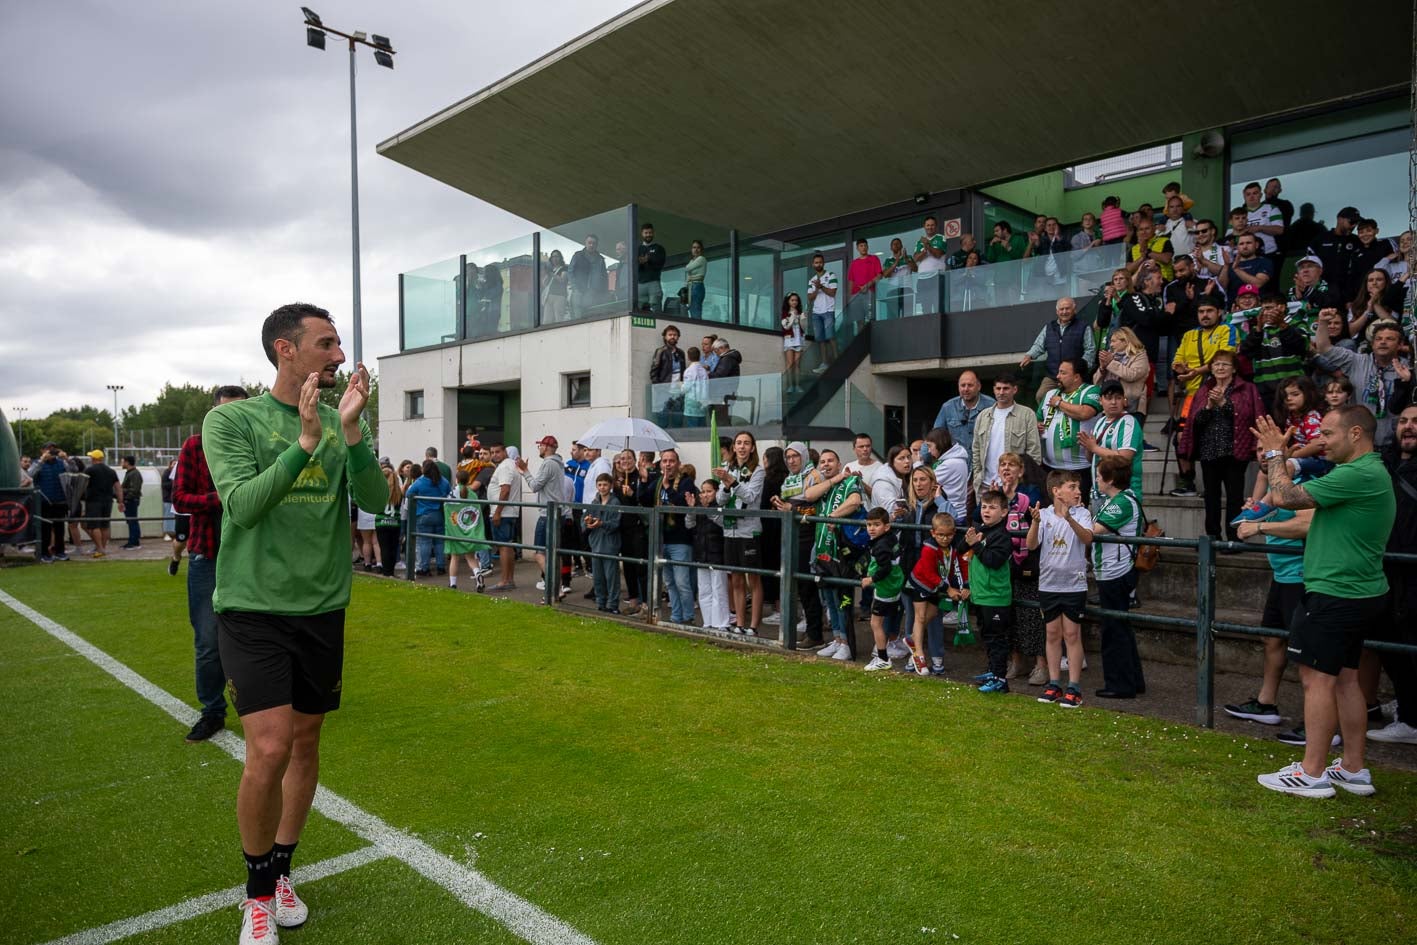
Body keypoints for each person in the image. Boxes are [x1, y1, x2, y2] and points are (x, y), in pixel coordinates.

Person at [200, 302, 386, 943]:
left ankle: (282, 870)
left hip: (323, 609)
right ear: (286, 349)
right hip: (253, 608)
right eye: (327, 343)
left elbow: (375, 502)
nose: (339, 355)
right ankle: (255, 895)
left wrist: (351, 435)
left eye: (338, 345)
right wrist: (304, 443)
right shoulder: (231, 419)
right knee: (270, 747)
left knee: (305, 745)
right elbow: (244, 508)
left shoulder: (343, 421)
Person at [1253, 406, 1395, 798]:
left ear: (1354, 434)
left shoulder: (1358, 473)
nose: (1321, 442)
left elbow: (1283, 497)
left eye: (1328, 435)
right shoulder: (1364, 473)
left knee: (1317, 679)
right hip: (1357, 592)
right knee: (1347, 680)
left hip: (1336, 593)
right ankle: (1352, 767)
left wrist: (1274, 454)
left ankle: (1311, 773)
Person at [169, 385, 250, 742]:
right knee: (207, 641)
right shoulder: (194, 446)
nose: (232, 417)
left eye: (240, 411)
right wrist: (225, 498)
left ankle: (261, 708)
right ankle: (213, 711)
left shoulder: (258, 443)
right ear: (212, 413)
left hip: (252, 556)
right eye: (225, 411)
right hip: (208, 554)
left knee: (259, 637)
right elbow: (180, 498)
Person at [1227, 503, 1312, 728]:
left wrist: (1260, 527)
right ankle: (1266, 703)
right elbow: (1251, 510)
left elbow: (1307, 524)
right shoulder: (1274, 482)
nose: (1264, 465)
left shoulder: (1306, 479)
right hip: (1281, 573)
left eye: (1272, 463)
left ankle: (1316, 722)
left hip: (1303, 574)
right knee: (1271, 639)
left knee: (1307, 651)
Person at [1369, 402, 1417, 745]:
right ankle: (1409, 707)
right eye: (1403, 421)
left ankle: (1412, 718)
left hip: (1413, 569)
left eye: (1416, 422)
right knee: (1391, 643)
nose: (1409, 427)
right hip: (1385, 569)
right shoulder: (1383, 463)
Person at [1178, 351, 1264, 541]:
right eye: (1216, 364)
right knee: (1211, 498)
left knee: (1234, 497)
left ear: (1234, 369)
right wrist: (1208, 406)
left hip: (1235, 451)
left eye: (1225, 364)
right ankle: (1213, 537)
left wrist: (1224, 403)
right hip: (1209, 452)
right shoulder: (1203, 390)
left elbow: (1248, 416)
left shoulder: (1247, 388)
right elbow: (1195, 422)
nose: (1220, 368)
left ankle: (1234, 538)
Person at [1026, 470, 1094, 708]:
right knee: (1052, 634)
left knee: (1072, 634)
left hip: (1074, 585)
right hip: (1049, 584)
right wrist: (1035, 523)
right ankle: (1054, 683)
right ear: (1057, 491)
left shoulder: (1083, 513)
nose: (1078, 491)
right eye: (1073, 487)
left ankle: (1074, 687)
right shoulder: (1043, 515)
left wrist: (1069, 518)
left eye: (1079, 487)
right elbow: (1031, 544)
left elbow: (1087, 539)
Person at [1169, 295, 1240, 496]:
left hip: (1220, 390)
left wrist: (1196, 371)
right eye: (1201, 312)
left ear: (1219, 312)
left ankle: (1216, 486)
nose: (1205, 315)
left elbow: (1225, 358)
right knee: (1181, 437)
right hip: (1191, 394)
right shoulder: (1189, 335)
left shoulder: (1228, 330)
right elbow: (1177, 360)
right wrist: (1180, 368)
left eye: (1209, 311)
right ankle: (1187, 482)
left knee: (1214, 436)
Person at [799, 449, 865, 660]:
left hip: (843, 552)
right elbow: (808, 495)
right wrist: (834, 478)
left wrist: (833, 516)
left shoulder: (850, 482)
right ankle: (837, 639)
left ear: (839, 463)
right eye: (823, 462)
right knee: (828, 596)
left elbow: (855, 501)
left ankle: (846, 643)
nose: (826, 464)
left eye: (831, 461)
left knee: (841, 599)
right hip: (822, 551)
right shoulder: (825, 487)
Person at [1090, 455, 1146, 699]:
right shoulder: (1118, 499)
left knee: (1114, 629)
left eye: (1099, 475)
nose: (1096, 479)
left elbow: (1094, 530)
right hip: (1111, 571)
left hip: (1116, 571)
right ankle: (1133, 680)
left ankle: (1120, 684)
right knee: (1120, 627)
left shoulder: (1121, 502)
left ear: (1110, 479)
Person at [1236, 376, 1327, 524]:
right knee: (1265, 470)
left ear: (1308, 394)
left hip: (1319, 461)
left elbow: (1318, 444)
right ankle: (1254, 506)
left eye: (1295, 394)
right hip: (1301, 460)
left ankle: (1268, 504)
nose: (1289, 399)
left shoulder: (1311, 416)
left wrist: (1293, 455)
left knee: (1287, 464)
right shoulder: (1291, 418)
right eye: (1285, 396)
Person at [1312, 316, 1412, 448]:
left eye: (1390, 339)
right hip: (1360, 441)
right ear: (1372, 343)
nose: (1383, 342)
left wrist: (1409, 380)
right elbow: (1324, 347)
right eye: (1378, 339)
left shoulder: (1409, 369)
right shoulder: (1355, 361)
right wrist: (1323, 321)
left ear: (1400, 345)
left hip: (1394, 442)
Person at [770, 442, 827, 647]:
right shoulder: (789, 479)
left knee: (808, 585)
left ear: (804, 456)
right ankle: (810, 630)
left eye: (795, 456)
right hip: (793, 536)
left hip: (810, 537)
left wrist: (792, 510)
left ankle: (816, 634)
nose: (791, 460)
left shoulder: (814, 476)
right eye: (788, 457)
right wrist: (782, 507)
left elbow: (817, 510)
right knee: (799, 586)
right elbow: (792, 506)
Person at [715, 431, 767, 636]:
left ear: (752, 447)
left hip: (749, 531)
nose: (742, 447)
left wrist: (732, 482)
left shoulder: (758, 471)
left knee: (752, 579)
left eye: (746, 443)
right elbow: (719, 499)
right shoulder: (728, 467)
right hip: (730, 530)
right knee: (735, 579)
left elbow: (751, 496)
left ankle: (753, 626)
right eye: (739, 443)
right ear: (734, 447)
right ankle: (739, 623)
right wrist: (727, 485)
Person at [962, 491, 1013, 692]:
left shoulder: (1002, 536)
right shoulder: (980, 530)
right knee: (988, 638)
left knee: (997, 640)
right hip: (981, 595)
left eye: (992, 507)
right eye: (984, 506)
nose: (986, 511)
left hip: (996, 597)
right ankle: (992, 671)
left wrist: (976, 544)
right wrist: (969, 540)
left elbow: (993, 561)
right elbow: (960, 548)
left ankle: (1000, 679)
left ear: (1004, 512)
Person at [904, 512, 965, 675]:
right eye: (940, 535)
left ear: (954, 533)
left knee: (932, 614)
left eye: (948, 535)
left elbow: (959, 565)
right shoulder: (929, 549)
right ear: (933, 533)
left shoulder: (953, 548)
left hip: (935, 587)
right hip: (920, 584)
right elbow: (928, 573)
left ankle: (911, 639)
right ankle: (919, 657)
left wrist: (964, 585)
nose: (944, 538)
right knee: (921, 617)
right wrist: (948, 589)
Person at [641, 448, 697, 624]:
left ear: (678, 464)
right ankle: (676, 617)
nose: (668, 465)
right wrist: (643, 481)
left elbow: (681, 504)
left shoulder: (686, 482)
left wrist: (668, 488)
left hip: (680, 540)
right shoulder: (657, 482)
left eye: (671, 461)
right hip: (662, 539)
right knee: (670, 583)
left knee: (682, 582)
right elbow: (643, 499)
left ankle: (688, 617)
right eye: (664, 461)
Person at [970, 374, 1043, 499]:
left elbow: (1034, 452)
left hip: (1016, 485)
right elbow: (976, 449)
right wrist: (977, 475)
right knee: (985, 518)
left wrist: (1024, 480)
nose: (1001, 392)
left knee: (1015, 518)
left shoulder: (1026, 414)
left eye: (1006, 388)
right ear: (993, 390)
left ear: (1014, 390)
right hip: (986, 484)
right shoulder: (983, 416)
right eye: (998, 388)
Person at [1036, 358, 1101, 500]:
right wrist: (1038, 425)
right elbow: (1038, 418)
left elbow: (1085, 412)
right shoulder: (1050, 394)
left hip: (1080, 469)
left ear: (1076, 377)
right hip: (1050, 469)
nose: (1058, 376)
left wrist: (1059, 403)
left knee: (1076, 511)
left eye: (1063, 373)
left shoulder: (1091, 390)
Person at [518, 435, 571, 598]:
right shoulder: (558, 463)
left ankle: (553, 587)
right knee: (554, 553)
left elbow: (535, 486)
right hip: (558, 512)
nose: (539, 448)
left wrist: (525, 471)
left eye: (540, 445)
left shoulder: (548, 463)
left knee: (539, 552)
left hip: (548, 514)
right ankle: (559, 588)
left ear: (546, 447)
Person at [1020, 296, 1095, 405]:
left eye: (1067, 308)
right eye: (1061, 309)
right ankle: (1049, 420)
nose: (1064, 312)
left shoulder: (1083, 327)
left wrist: (1081, 369)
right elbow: (1038, 345)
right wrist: (1029, 356)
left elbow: (1090, 350)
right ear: (1057, 311)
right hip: (1053, 374)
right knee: (1041, 396)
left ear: (1074, 310)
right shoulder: (1049, 327)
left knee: (1074, 400)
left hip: (1074, 375)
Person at [1079, 380, 1143, 508]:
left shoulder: (1129, 422)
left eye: (1118, 398)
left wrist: (1094, 447)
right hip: (1100, 493)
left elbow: (1124, 457)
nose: (1113, 402)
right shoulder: (1100, 422)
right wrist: (1087, 446)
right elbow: (1092, 459)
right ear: (1100, 401)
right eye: (1108, 398)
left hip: (1121, 494)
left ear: (1124, 401)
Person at [1241, 290, 1309, 410]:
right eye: (1263, 309)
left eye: (1269, 308)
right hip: (1266, 393)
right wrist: (1258, 330)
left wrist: (1282, 325)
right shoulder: (1257, 330)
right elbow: (1246, 352)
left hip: (1294, 389)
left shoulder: (1297, 324)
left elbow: (1301, 347)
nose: (1265, 312)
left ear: (1282, 307)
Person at [860, 507, 905, 671]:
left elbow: (884, 568)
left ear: (886, 526)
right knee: (884, 621)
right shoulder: (890, 539)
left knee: (875, 623)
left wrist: (870, 579)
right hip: (893, 587)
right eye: (869, 524)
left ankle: (883, 658)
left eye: (876, 525)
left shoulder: (881, 546)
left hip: (885, 589)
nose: (871, 528)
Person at [686, 477, 729, 630]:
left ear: (716, 492)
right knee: (704, 590)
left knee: (719, 590)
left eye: (709, 491)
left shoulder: (720, 506)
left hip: (717, 552)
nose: (705, 495)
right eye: (703, 492)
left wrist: (707, 510)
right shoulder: (697, 507)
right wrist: (692, 509)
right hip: (701, 552)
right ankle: (708, 622)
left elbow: (722, 523)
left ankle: (721, 623)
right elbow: (689, 524)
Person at [932, 371, 994, 468]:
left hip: (984, 465)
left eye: (970, 385)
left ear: (979, 386)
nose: (966, 389)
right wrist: (922, 461)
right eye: (963, 385)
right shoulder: (948, 407)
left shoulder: (991, 405)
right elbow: (935, 436)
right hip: (956, 466)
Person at [581, 473, 621, 613]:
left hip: (610, 544)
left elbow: (616, 523)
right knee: (598, 577)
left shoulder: (615, 502)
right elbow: (584, 519)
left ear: (610, 485)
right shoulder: (594, 502)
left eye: (605, 484)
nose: (602, 487)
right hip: (596, 543)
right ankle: (601, 602)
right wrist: (587, 522)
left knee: (611, 577)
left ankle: (613, 604)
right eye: (600, 485)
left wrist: (602, 523)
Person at [1094, 326, 1151, 423]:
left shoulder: (1140, 356)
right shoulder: (1111, 356)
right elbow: (1095, 382)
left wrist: (1111, 363)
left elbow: (1131, 375)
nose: (1111, 345)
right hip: (1109, 406)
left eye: (1113, 341)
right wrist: (1102, 368)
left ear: (1125, 341)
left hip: (1132, 407)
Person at [445, 468, 488, 592]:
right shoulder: (473, 494)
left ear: (456, 480)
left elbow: (447, 508)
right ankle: (477, 574)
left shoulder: (453, 493)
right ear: (469, 480)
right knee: (471, 557)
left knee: (455, 557)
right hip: (469, 530)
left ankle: (452, 584)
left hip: (455, 530)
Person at [486, 443, 522, 592]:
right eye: (492, 452)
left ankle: (505, 580)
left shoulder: (505, 467)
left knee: (504, 547)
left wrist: (497, 512)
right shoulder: (509, 465)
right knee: (507, 546)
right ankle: (509, 579)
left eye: (498, 452)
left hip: (504, 513)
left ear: (505, 452)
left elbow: (505, 490)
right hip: (507, 512)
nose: (494, 455)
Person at [404, 460, 448, 575]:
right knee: (439, 542)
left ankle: (424, 568)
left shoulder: (420, 482)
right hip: (439, 514)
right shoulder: (443, 481)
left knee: (424, 541)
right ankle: (441, 567)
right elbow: (449, 492)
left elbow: (409, 494)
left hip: (423, 515)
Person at [29, 444, 70, 562]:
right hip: (44, 501)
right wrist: (42, 460)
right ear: (42, 451)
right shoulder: (37, 463)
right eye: (48, 450)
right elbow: (30, 474)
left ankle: (60, 551)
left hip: (60, 500)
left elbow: (74, 471)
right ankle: (43, 553)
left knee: (60, 529)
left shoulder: (61, 462)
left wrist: (66, 459)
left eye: (53, 450)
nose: (51, 452)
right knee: (45, 529)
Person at [923, 426, 969, 525]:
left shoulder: (950, 464)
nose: (929, 451)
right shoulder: (956, 460)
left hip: (952, 514)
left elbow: (925, 482)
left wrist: (917, 463)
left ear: (939, 444)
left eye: (930, 446)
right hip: (955, 511)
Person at [81, 449, 121, 558]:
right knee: (105, 526)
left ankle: (100, 548)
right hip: (108, 501)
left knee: (94, 526)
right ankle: (103, 548)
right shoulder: (111, 471)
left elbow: (83, 485)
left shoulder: (89, 470)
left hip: (93, 501)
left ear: (93, 458)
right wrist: (120, 501)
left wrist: (79, 497)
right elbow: (118, 486)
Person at [649, 325, 686, 428]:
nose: (672, 337)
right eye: (670, 335)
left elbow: (683, 373)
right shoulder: (660, 351)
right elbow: (653, 372)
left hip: (678, 391)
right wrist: (659, 388)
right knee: (662, 418)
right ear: (665, 337)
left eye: (675, 335)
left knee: (678, 419)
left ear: (678, 337)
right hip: (664, 391)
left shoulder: (681, 353)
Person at [806, 253, 839, 370]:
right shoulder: (812, 280)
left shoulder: (831, 275)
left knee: (830, 336)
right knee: (820, 339)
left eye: (820, 262)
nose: (818, 264)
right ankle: (824, 363)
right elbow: (810, 298)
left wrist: (821, 287)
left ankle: (837, 360)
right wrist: (816, 288)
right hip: (816, 313)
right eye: (816, 262)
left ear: (823, 263)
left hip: (828, 310)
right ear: (813, 264)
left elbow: (833, 293)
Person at [913, 216, 949, 313]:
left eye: (932, 225)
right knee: (925, 306)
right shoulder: (919, 242)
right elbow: (915, 258)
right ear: (924, 227)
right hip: (922, 278)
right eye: (928, 225)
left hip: (937, 276)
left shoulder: (941, 237)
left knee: (938, 304)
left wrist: (928, 245)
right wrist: (925, 250)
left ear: (936, 226)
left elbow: (938, 254)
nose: (930, 227)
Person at [373, 464, 403, 578]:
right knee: (393, 548)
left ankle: (386, 573)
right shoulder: (398, 492)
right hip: (395, 522)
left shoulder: (379, 491)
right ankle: (391, 571)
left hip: (381, 522)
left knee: (384, 548)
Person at [568, 233, 608, 315]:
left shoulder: (600, 259)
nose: (591, 245)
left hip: (594, 293)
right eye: (589, 242)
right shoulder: (578, 255)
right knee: (578, 317)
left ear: (596, 245)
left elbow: (604, 277)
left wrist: (604, 293)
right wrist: (575, 288)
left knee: (591, 316)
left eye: (594, 243)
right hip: (579, 292)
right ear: (585, 243)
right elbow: (570, 272)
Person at [880, 237, 916, 318]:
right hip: (892, 290)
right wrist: (896, 262)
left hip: (907, 288)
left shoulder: (908, 257)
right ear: (891, 248)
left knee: (908, 316)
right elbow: (885, 275)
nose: (896, 245)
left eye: (898, 243)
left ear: (901, 245)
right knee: (892, 318)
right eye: (894, 244)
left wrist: (906, 259)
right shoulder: (888, 260)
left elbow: (916, 269)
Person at [846, 237, 883, 316]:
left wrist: (867, 285)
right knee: (859, 320)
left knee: (870, 318)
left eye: (865, 245)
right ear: (857, 248)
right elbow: (851, 282)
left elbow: (879, 275)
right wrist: (849, 299)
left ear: (868, 247)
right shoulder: (854, 263)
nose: (863, 247)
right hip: (856, 295)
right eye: (861, 246)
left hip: (870, 293)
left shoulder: (874, 259)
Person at [780, 293, 807, 393]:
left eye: (796, 300)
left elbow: (804, 327)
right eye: (792, 300)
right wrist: (792, 317)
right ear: (788, 301)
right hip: (789, 340)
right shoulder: (785, 313)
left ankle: (797, 385)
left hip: (799, 339)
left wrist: (802, 318)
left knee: (797, 364)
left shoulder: (800, 312)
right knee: (790, 364)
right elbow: (786, 326)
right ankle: (790, 386)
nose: (794, 302)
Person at [636, 222, 666, 312]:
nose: (648, 235)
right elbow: (632, 267)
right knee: (639, 311)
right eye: (646, 233)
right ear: (642, 234)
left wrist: (648, 260)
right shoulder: (637, 249)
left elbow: (661, 263)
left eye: (650, 233)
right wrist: (640, 262)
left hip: (654, 282)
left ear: (653, 233)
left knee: (655, 309)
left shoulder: (659, 248)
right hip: (640, 284)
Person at [541, 248, 570, 323]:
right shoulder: (552, 270)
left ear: (560, 258)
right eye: (553, 257)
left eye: (557, 256)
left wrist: (551, 274)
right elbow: (544, 283)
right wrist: (548, 273)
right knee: (546, 321)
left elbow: (562, 280)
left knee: (559, 319)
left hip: (559, 296)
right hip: (549, 296)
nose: (555, 258)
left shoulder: (564, 268)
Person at [683, 239, 707, 318]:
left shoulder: (701, 259)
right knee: (691, 310)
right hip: (691, 287)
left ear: (701, 249)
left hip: (697, 286)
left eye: (698, 247)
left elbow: (687, 268)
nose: (696, 250)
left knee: (695, 311)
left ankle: (698, 329)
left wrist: (690, 278)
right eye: (694, 247)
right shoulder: (692, 260)